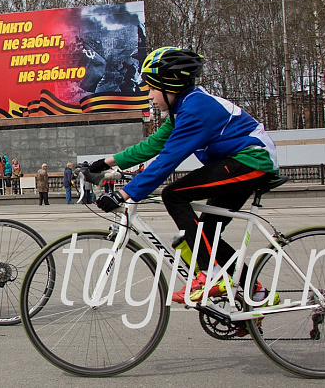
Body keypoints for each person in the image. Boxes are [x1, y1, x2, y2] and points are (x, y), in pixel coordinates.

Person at [88, 47, 280, 310]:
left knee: (174, 194)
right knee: (207, 234)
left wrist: (124, 194)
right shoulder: (183, 108)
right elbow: (152, 146)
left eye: (152, 89)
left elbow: (168, 160)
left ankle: (209, 273)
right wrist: (104, 163)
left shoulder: (195, 111)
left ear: (170, 85)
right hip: (238, 163)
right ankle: (255, 293)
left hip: (250, 161)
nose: (149, 95)